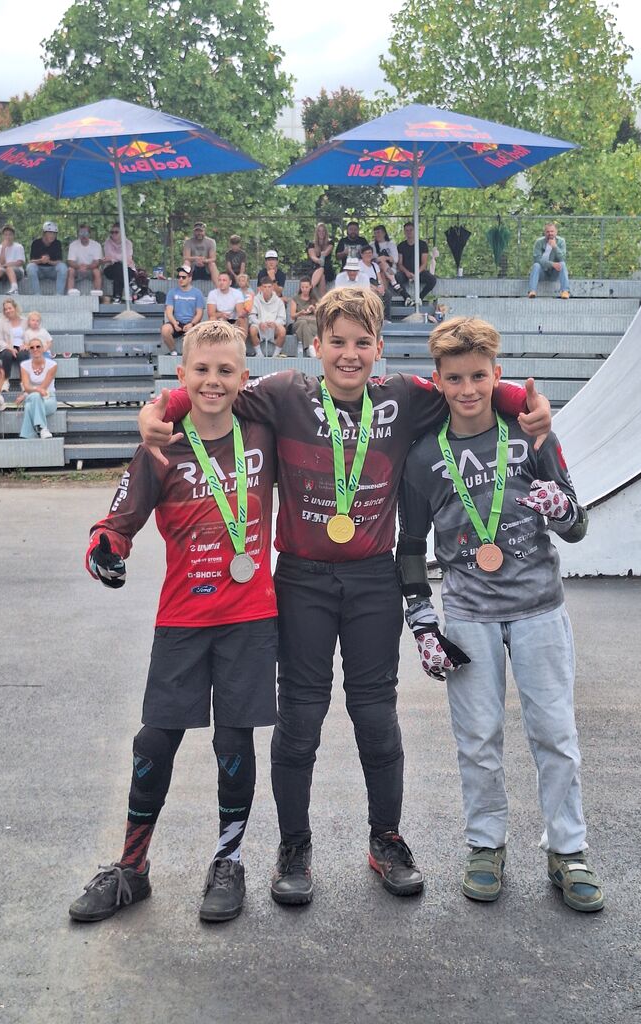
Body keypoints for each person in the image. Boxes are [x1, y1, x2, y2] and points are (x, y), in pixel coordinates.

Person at [138, 286, 552, 907]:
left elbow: (469, 388)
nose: (349, 354)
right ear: (317, 346)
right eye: (337, 342)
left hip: (372, 582)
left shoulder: (404, 398)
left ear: (379, 347)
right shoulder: (285, 393)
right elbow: (212, 387)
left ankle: (386, 839)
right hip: (301, 580)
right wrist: (162, 406)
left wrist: (526, 401)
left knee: (376, 716)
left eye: (362, 342)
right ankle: (294, 848)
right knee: (300, 719)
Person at [68, 320, 278, 925]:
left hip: (249, 618)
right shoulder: (161, 445)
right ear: (182, 374)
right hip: (183, 618)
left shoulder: (262, 429)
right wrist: (105, 551)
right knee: (153, 742)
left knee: (233, 741)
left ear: (244, 377)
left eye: (226, 370)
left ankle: (228, 863)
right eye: (201, 370)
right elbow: (117, 522)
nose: (213, 381)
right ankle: (132, 869)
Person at [397, 316, 603, 913]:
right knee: (478, 739)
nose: (468, 389)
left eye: (479, 377)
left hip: (540, 608)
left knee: (555, 734)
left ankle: (568, 850)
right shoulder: (422, 459)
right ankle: (486, 845)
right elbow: (410, 547)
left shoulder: (532, 435)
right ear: (437, 380)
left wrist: (560, 507)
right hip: (468, 615)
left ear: (497, 375)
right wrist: (421, 620)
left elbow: (578, 525)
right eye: (455, 378)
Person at [16, 338, 57, 439]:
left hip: (48, 398)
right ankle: (43, 428)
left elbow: (43, 388)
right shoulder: (24, 365)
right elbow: (26, 386)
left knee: (29, 407)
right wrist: (34, 390)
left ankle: (29, 435)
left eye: (38, 346)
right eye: (32, 347)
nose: (35, 349)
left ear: (43, 348)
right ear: (29, 350)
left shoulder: (52, 365)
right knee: (35, 396)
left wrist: (27, 393)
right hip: (31, 396)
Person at [161, 265, 205, 353]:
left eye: (183, 277)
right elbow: (169, 312)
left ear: (190, 278)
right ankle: (173, 352)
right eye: (179, 277)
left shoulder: (197, 293)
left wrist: (191, 324)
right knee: (165, 329)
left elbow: (199, 313)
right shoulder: (172, 292)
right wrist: (174, 323)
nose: (180, 279)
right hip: (177, 322)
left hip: (192, 323)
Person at [395, 221, 436, 303]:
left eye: (411, 230)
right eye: (407, 230)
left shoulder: (422, 245)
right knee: (397, 277)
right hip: (406, 273)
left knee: (432, 280)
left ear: (415, 231)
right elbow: (400, 264)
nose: (409, 232)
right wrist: (407, 272)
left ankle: (420, 298)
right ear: (404, 232)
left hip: (419, 272)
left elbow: (424, 263)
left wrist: (416, 274)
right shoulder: (401, 245)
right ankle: (407, 298)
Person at [528, 223, 570, 299]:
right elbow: (537, 259)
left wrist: (555, 247)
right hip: (542, 273)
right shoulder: (539, 242)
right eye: (548, 231)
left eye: (552, 231)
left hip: (554, 273)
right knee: (536, 265)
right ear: (545, 232)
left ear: (556, 232)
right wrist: (552, 264)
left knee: (562, 264)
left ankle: (565, 291)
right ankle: (532, 291)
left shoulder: (561, 241)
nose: (550, 233)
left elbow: (562, 258)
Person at [247, 278, 287, 357]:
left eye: (269, 287)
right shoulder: (255, 300)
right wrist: (260, 323)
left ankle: (276, 355)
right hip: (260, 326)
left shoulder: (279, 301)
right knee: (252, 330)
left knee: (282, 331)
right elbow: (252, 316)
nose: (267, 289)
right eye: (264, 287)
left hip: (274, 327)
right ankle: (259, 353)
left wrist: (275, 323)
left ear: (272, 288)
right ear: (261, 288)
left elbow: (282, 318)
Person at [26, 222, 67, 296]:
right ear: (44, 233)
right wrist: (41, 260)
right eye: (50, 233)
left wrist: (48, 261)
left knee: (63, 267)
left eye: (54, 233)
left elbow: (59, 261)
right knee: (30, 267)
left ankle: (59, 294)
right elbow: (31, 261)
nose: (52, 235)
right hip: (39, 271)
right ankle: (37, 294)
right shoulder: (36, 243)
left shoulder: (57, 243)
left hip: (52, 271)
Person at [0, 297, 28, 383]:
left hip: (21, 347)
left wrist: (26, 344)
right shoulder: (1, 322)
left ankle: (24, 381)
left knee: (22, 355)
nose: (8, 311)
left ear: (15, 308)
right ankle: (5, 380)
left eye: (10, 308)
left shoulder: (25, 321)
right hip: (7, 347)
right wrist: (10, 348)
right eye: (6, 309)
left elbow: (31, 335)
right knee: (7, 354)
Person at [207, 272, 248, 338]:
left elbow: (240, 313)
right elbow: (210, 314)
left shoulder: (237, 293)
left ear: (230, 282)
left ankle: (241, 343)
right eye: (219, 280)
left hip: (234, 320)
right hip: (219, 320)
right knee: (212, 319)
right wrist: (221, 315)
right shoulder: (212, 294)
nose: (221, 282)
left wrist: (244, 312)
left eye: (224, 280)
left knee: (242, 320)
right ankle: (215, 342)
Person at [103, 222, 136, 303]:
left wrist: (114, 259)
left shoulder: (128, 243)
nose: (113, 234)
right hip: (110, 269)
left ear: (122, 233)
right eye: (112, 232)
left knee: (119, 269)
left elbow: (126, 258)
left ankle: (117, 297)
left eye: (116, 232)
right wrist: (120, 259)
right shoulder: (107, 243)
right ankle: (131, 284)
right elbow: (109, 256)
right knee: (118, 266)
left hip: (127, 268)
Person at [66, 224, 103, 292]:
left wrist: (87, 267)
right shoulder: (73, 245)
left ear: (89, 234)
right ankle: (70, 293)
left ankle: (97, 294)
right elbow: (70, 261)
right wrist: (78, 267)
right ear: (78, 234)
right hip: (77, 269)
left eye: (86, 233)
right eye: (81, 233)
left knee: (97, 271)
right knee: (71, 271)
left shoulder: (96, 245)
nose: (83, 235)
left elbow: (97, 262)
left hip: (91, 269)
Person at [183, 221, 219, 288]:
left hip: (206, 268)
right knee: (186, 263)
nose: (199, 233)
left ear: (204, 231)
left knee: (212, 264)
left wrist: (204, 260)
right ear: (194, 232)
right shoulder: (188, 242)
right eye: (197, 231)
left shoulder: (211, 242)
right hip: (193, 269)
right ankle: (184, 288)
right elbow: (186, 257)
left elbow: (213, 258)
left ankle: (219, 288)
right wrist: (196, 259)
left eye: (201, 231)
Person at [289, 276, 318, 355]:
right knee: (303, 323)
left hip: (312, 322)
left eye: (306, 287)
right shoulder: (295, 298)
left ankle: (308, 348)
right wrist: (300, 313)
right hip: (299, 322)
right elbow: (292, 316)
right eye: (302, 287)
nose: (304, 289)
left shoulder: (315, 299)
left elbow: (319, 315)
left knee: (308, 326)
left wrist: (314, 309)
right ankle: (310, 346)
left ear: (310, 287)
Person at [305, 223, 335, 298]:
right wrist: (319, 261)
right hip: (315, 268)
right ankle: (323, 299)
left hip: (327, 269)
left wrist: (323, 255)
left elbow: (327, 251)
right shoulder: (311, 244)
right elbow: (312, 257)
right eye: (319, 231)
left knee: (322, 271)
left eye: (323, 231)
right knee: (321, 275)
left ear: (326, 232)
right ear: (316, 232)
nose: (321, 233)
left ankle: (308, 290)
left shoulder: (330, 242)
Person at [372, 225, 399, 291]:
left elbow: (396, 259)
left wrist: (385, 258)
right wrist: (378, 259)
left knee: (382, 272)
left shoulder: (391, 244)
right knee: (381, 267)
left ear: (384, 233)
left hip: (390, 269)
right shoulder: (372, 245)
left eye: (378, 232)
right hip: (376, 268)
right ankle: (394, 283)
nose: (377, 235)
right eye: (375, 233)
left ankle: (384, 294)